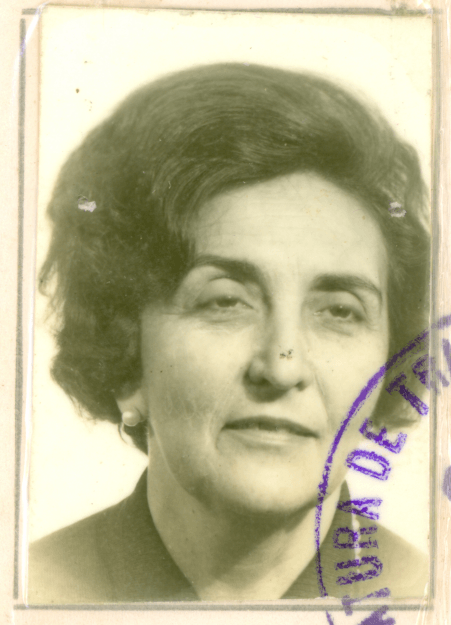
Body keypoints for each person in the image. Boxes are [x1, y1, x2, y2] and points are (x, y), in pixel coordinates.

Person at [28, 63, 430, 604]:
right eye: (225, 301)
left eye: (340, 311)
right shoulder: (32, 594)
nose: (282, 366)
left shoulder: (430, 597)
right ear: (126, 359)